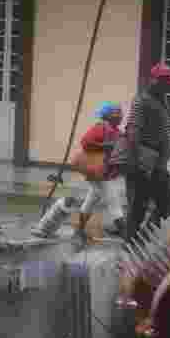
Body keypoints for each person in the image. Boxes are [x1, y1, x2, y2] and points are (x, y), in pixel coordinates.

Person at [122, 62, 170, 244]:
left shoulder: (163, 99)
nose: (168, 83)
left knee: (168, 205)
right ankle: (130, 245)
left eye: (169, 80)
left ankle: (142, 238)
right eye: (164, 80)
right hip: (143, 162)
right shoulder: (142, 100)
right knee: (138, 207)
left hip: (158, 163)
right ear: (153, 81)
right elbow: (133, 131)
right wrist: (134, 161)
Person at [73, 102, 126, 241]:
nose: (120, 115)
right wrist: (104, 146)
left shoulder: (117, 131)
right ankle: (125, 233)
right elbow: (85, 142)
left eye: (120, 113)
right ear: (107, 115)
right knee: (113, 202)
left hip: (104, 172)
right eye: (116, 113)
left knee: (91, 200)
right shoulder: (100, 127)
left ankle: (79, 230)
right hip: (100, 173)